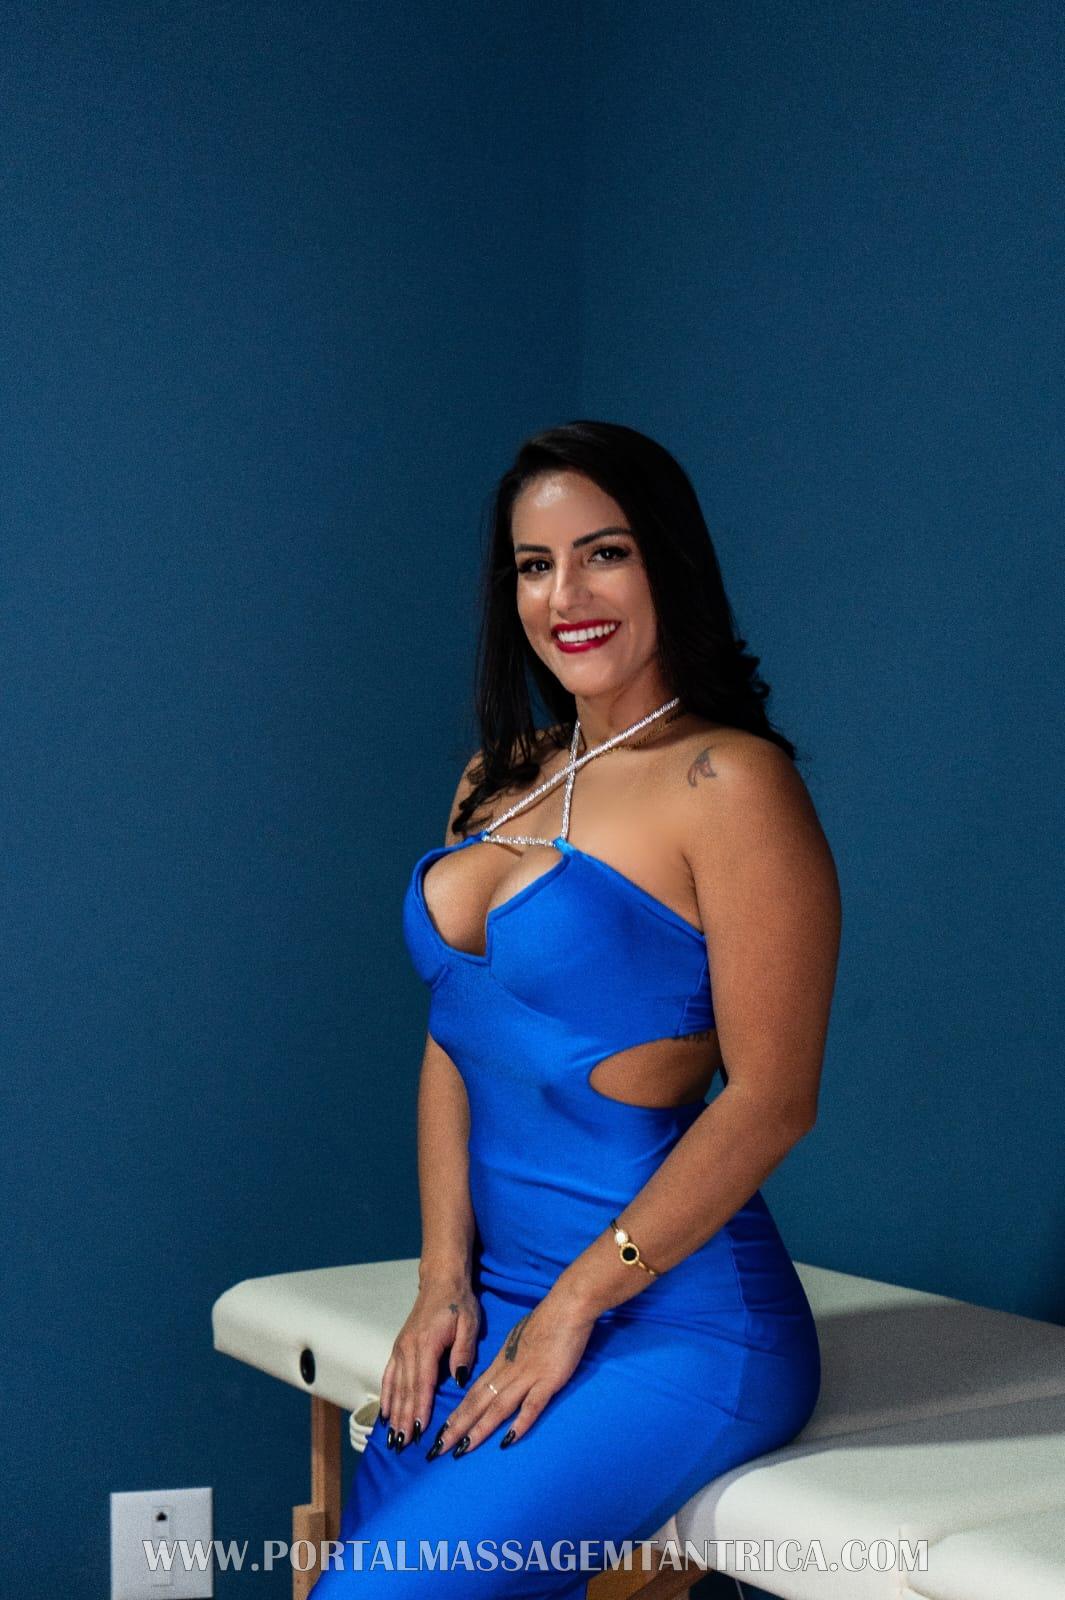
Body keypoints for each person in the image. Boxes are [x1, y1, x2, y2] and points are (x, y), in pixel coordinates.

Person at [312, 420, 841, 1596]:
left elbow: (772, 1100)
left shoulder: (731, 784)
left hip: (678, 1323)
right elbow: (457, 1038)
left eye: (604, 553)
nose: (567, 597)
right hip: (499, 1297)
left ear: (668, 564)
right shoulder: (498, 778)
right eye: (535, 565)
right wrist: (442, 1278)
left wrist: (573, 1306)